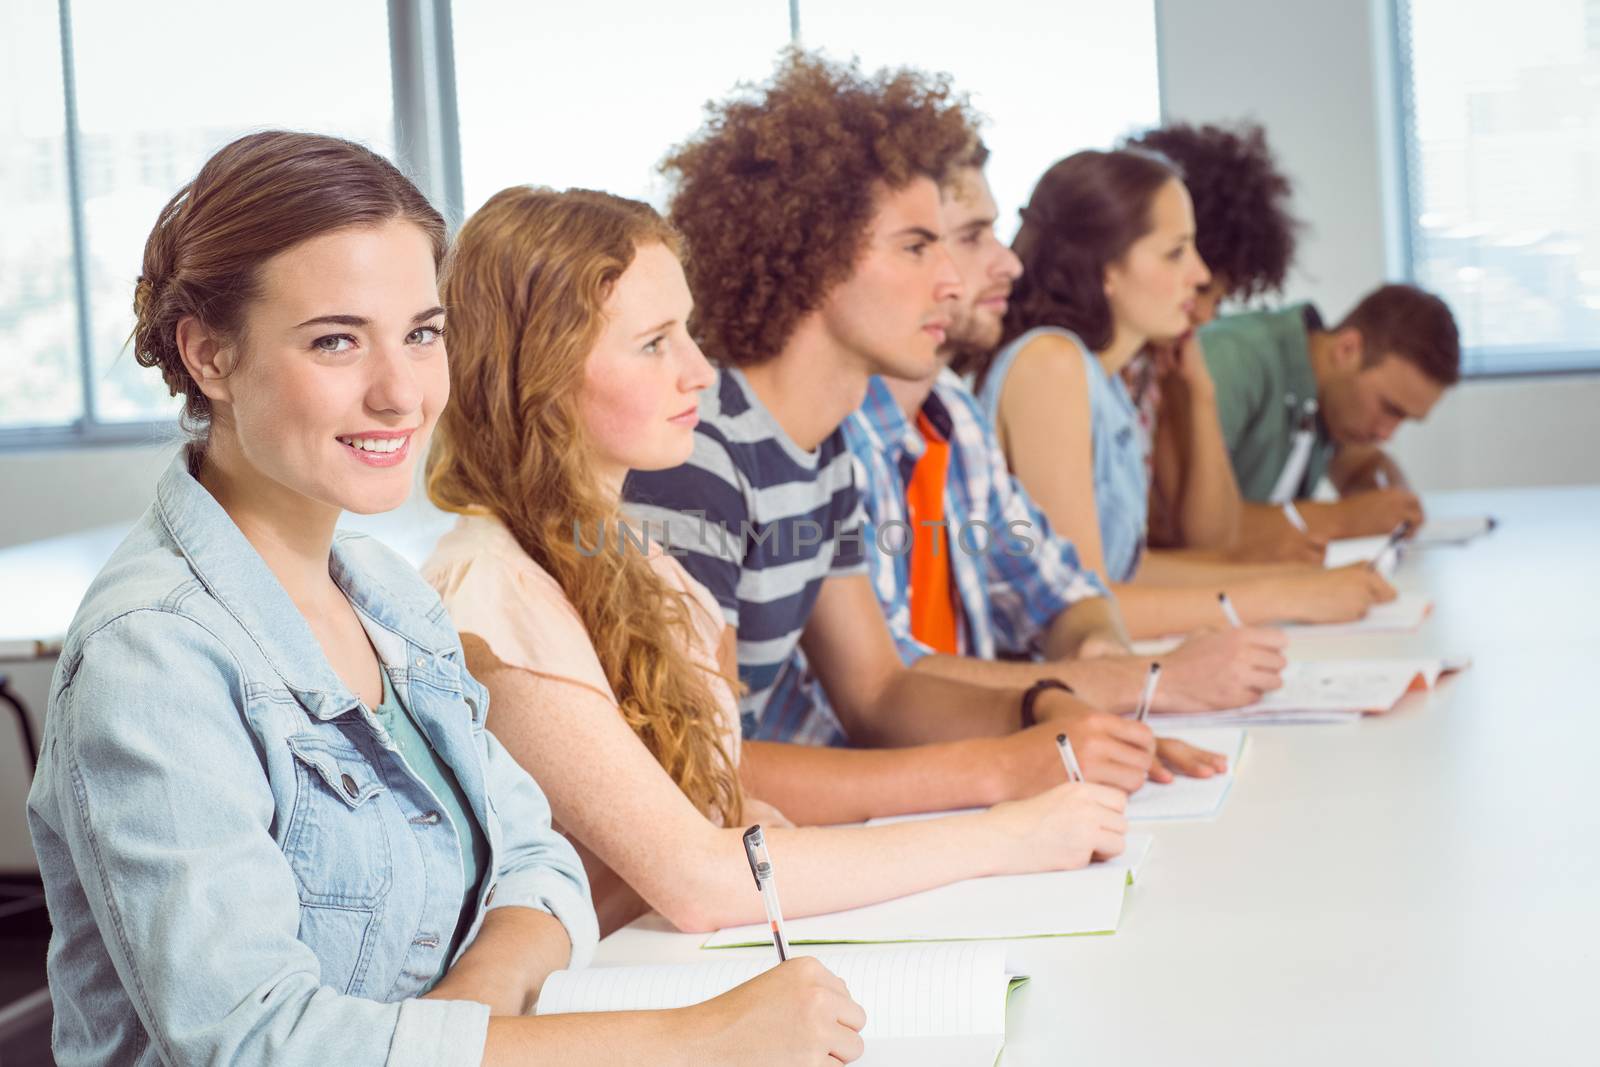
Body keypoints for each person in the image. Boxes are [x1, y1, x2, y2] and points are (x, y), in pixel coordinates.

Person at [25, 131, 864, 1066]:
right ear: (209, 356)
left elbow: (540, 871)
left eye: (422, 334)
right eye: (336, 340)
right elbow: (258, 1043)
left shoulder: (385, 597)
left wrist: (455, 1029)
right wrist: (696, 1038)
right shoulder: (153, 657)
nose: (401, 394)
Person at [422, 185, 1128, 938]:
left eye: (687, 332)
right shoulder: (491, 595)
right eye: (655, 343)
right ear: (543, 373)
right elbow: (700, 879)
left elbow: (715, 811)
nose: (698, 370)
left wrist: (760, 824)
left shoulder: (654, 572)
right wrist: (1008, 835)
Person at [623, 51, 1165, 789]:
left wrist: (1050, 711)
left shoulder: (825, 447)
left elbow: (878, 691)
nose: (950, 281)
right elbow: (694, 772)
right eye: (916, 246)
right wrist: (1002, 770)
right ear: (811, 255)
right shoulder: (701, 453)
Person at [767, 141, 1286, 742]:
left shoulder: (952, 414)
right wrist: (1142, 680)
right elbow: (888, 688)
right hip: (875, 797)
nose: (1010, 263)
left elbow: (1064, 588)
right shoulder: (825, 436)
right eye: (961, 238)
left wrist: (1097, 651)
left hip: (958, 775)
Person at [964, 149, 1395, 640]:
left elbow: (1129, 571)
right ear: (1105, 267)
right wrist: (1284, 597)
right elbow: (1080, 605)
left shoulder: (1102, 380)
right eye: (1175, 252)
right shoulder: (1050, 365)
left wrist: (1300, 579)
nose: (1200, 273)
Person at [1117, 121, 1320, 562]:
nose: (1207, 315)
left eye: (1217, 297)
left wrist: (1198, 396)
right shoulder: (1067, 369)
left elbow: (1204, 537)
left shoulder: (1152, 372)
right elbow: (1129, 561)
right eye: (1203, 292)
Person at [1199, 283, 1462, 544]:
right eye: (1389, 408)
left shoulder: (1328, 397)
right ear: (1347, 349)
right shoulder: (1234, 358)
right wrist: (1345, 519)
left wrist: (1392, 496)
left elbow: (1360, 465)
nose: (1386, 433)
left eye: (1405, 419)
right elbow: (1189, 526)